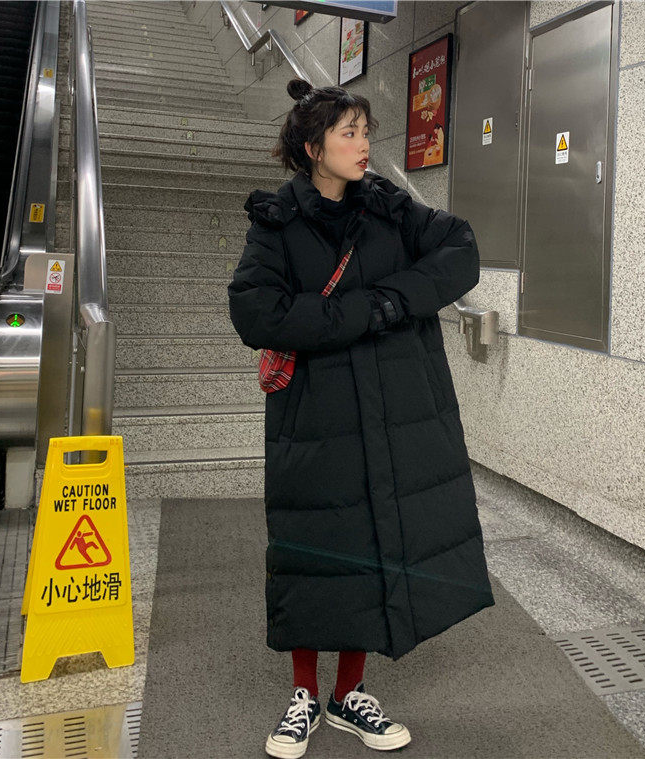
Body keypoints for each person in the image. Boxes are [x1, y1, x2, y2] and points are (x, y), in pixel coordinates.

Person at [228, 78, 495, 759]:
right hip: (314, 417)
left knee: (370, 545)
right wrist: (360, 312)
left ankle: (349, 694)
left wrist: (392, 300)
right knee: (313, 547)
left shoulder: (389, 209)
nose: (363, 144)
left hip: (389, 408)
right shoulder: (277, 221)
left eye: (365, 131)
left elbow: (460, 250)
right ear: (312, 148)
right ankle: (303, 695)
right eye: (348, 133)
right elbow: (255, 312)